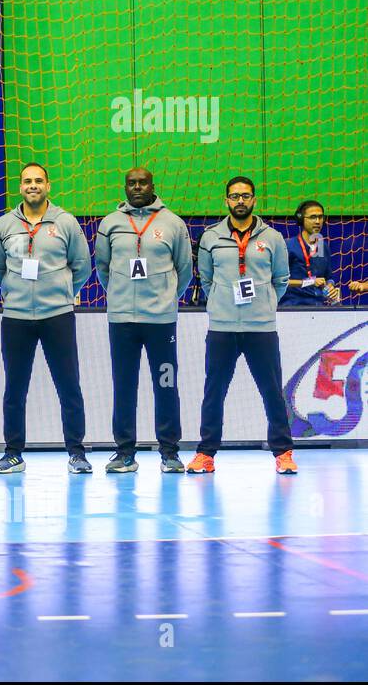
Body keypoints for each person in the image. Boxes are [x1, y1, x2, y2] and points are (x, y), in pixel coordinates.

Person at [0, 162, 93, 474]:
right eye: (27, 181)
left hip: (57, 315)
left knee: (68, 385)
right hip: (17, 317)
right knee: (15, 388)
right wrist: (13, 289)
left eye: (38, 181)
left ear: (48, 186)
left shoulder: (66, 223)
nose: (33, 185)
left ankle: (77, 452)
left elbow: (82, 266)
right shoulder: (3, 226)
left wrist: (61, 292)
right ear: (20, 187)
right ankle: (14, 452)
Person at [192, 177, 297, 475]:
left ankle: (284, 452)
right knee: (214, 391)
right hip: (222, 327)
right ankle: (206, 453)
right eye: (234, 196)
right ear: (226, 200)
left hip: (261, 328)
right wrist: (219, 304)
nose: (240, 201)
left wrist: (263, 305)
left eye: (246, 196)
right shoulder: (211, 237)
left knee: (272, 391)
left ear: (254, 199)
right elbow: (207, 279)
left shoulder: (273, 238)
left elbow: (281, 279)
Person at [94, 168, 193, 473]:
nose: (137, 187)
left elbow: (185, 269)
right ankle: (125, 453)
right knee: (124, 387)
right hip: (122, 320)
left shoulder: (173, 223)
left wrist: (164, 299)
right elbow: (103, 268)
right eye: (131, 183)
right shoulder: (110, 224)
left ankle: (170, 452)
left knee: (166, 384)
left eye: (143, 182)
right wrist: (121, 297)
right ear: (125, 187)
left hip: (161, 322)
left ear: (153, 185)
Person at [283, 200, 340, 306]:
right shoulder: (288, 246)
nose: (318, 221)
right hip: (292, 307)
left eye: (320, 217)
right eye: (313, 217)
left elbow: (329, 277)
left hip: (318, 307)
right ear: (301, 219)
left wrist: (330, 286)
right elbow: (279, 281)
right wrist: (309, 282)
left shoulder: (323, 247)